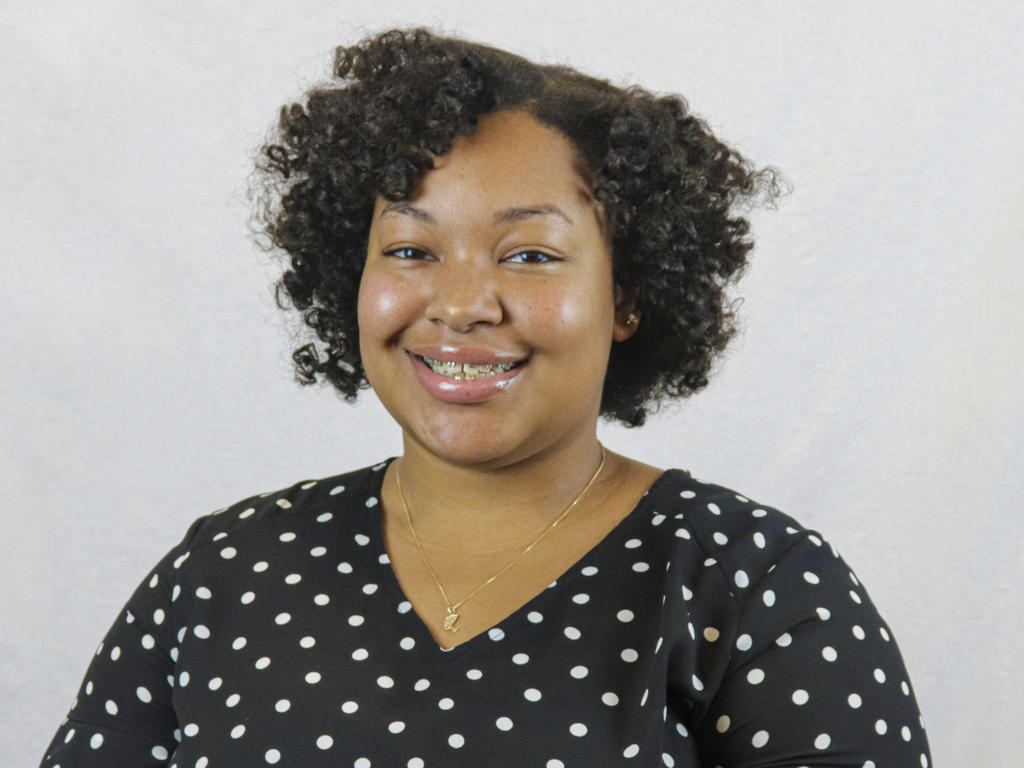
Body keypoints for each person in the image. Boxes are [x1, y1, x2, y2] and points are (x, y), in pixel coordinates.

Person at [39, 27, 931, 767]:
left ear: (629, 296)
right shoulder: (225, 570)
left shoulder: (755, 585)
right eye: (411, 251)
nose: (462, 303)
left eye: (531, 255)